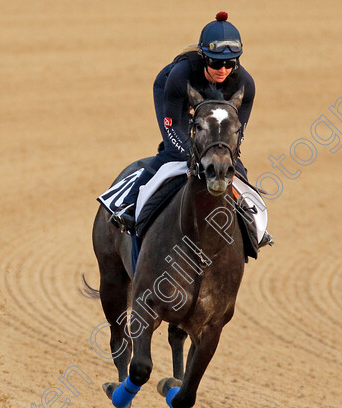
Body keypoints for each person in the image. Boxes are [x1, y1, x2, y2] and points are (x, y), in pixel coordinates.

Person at [110, 11, 263, 242]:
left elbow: (236, 134)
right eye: (215, 62)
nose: (222, 69)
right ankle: (128, 204)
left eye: (230, 63)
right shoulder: (181, 75)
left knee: (230, 158)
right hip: (175, 94)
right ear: (203, 57)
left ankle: (254, 224)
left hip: (218, 106)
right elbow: (174, 126)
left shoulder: (245, 85)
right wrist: (194, 154)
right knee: (175, 152)